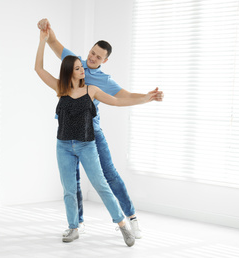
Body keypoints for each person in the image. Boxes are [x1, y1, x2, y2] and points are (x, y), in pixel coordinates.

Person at [37, 18, 164, 239]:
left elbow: (122, 97)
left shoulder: (100, 82)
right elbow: (54, 44)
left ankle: (131, 218)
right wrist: (45, 30)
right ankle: (76, 224)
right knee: (72, 180)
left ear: (105, 60)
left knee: (109, 176)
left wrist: (147, 97)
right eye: (92, 52)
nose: (92, 58)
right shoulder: (74, 65)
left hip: (91, 132)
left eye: (98, 56)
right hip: (67, 135)